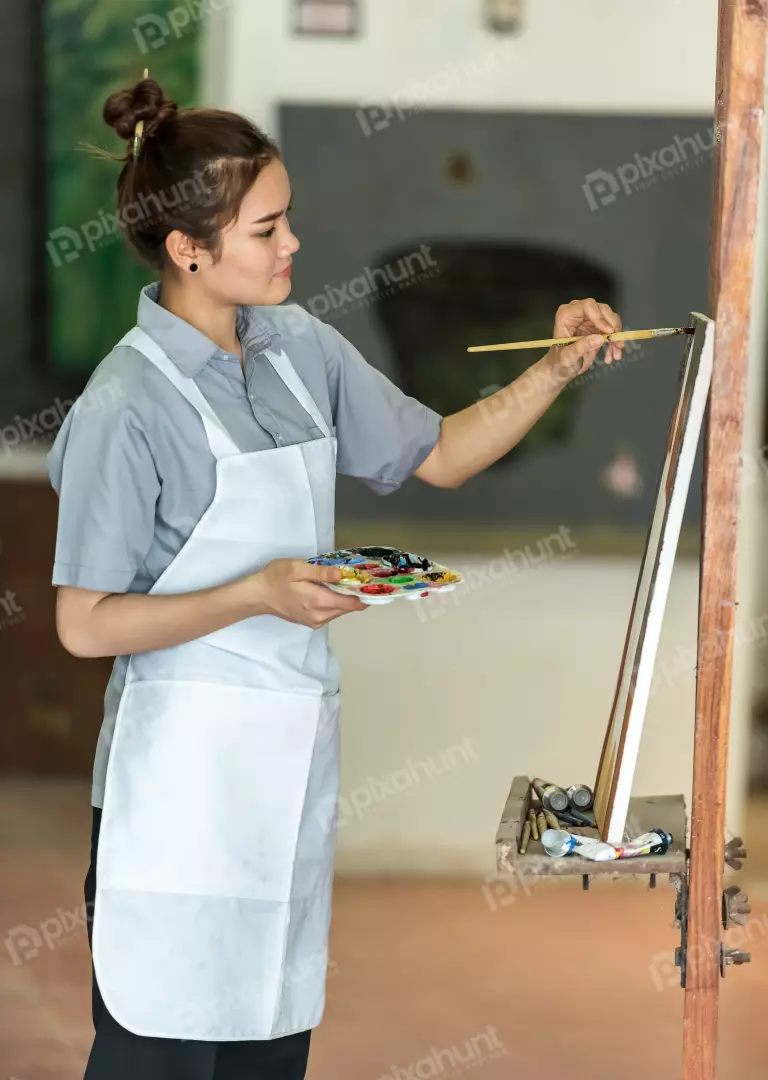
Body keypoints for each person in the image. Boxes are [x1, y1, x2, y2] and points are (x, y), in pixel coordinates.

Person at [48, 76, 624, 1080]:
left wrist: (555, 366)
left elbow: (437, 452)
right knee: (162, 1050)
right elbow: (85, 625)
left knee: (269, 1050)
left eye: (289, 222)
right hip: (176, 803)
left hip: (281, 783)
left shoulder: (298, 348)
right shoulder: (125, 406)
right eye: (267, 229)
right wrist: (254, 594)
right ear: (189, 249)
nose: (292, 247)